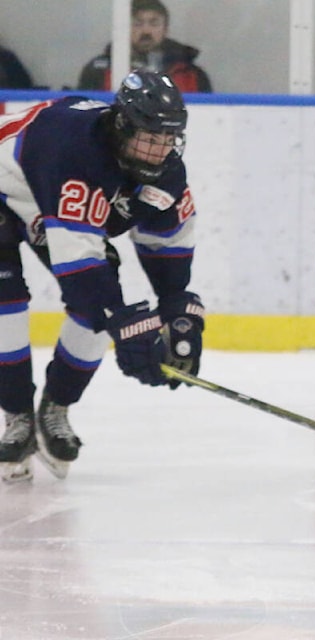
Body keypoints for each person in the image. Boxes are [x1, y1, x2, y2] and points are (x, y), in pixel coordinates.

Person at [0, 69, 205, 483]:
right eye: (150, 137)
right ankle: (17, 414)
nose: (159, 150)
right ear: (122, 125)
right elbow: (78, 267)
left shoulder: (166, 173)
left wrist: (176, 306)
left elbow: (168, 243)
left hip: (49, 202)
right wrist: (124, 325)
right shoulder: (74, 150)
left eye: (168, 139)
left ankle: (56, 407)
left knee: (102, 302)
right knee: (8, 304)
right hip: (6, 192)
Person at [78, 0, 212, 94]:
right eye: (138, 23)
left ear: (165, 29)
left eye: (154, 23)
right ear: (125, 28)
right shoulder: (98, 71)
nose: (146, 31)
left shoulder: (191, 73)